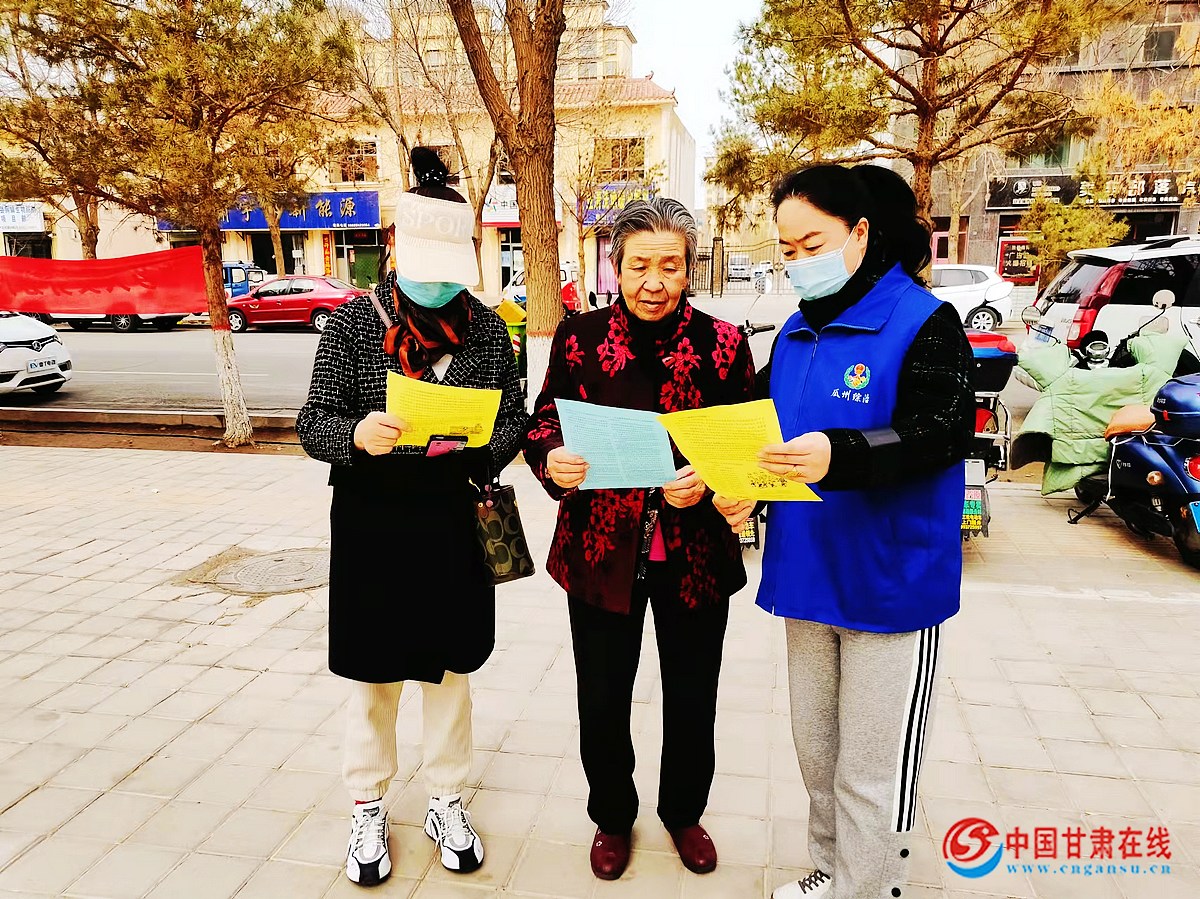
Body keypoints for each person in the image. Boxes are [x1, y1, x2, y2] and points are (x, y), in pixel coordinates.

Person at [714, 164, 975, 899]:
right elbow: (766, 440)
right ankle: (831, 870)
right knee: (818, 754)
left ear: (860, 234)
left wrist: (844, 452)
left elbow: (943, 430)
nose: (798, 262)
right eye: (786, 249)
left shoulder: (924, 322)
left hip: (890, 587)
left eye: (812, 244)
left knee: (872, 769)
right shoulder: (795, 333)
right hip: (807, 578)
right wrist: (742, 491)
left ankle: (871, 886)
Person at [296, 147, 527, 888]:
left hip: (455, 522)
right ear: (394, 248)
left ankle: (445, 798)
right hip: (375, 524)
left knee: (451, 672)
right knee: (374, 675)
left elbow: (515, 417)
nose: (436, 286)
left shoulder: (488, 331)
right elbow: (312, 423)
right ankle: (367, 803)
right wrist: (356, 434)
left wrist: (482, 443)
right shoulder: (351, 327)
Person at [524, 198, 756, 881]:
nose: (654, 281)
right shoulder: (579, 337)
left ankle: (683, 811)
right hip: (602, 548)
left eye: (670, 266)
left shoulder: (723, 343)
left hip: (694, 554)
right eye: (639, 266)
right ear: (616, 266)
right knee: (601, 697)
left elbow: (747, 440)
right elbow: (544, 420)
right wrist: (552, 458)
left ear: (689, 266)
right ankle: (612, 815)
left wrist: (717, 483)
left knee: (692, 695)